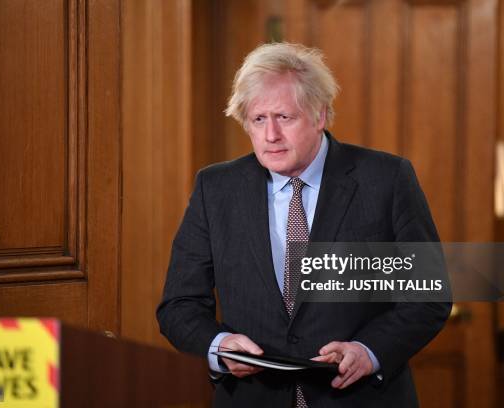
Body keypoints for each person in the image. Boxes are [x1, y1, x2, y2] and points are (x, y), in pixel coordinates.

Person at [157, 42, 451, 407]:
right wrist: (219, 347)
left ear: (320, 115)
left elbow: (428, 297)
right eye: (258, 119)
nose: (270, 136)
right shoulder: (215, 188)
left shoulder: (387, 179)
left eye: (285, 117)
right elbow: (178, 305)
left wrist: (369, 350)